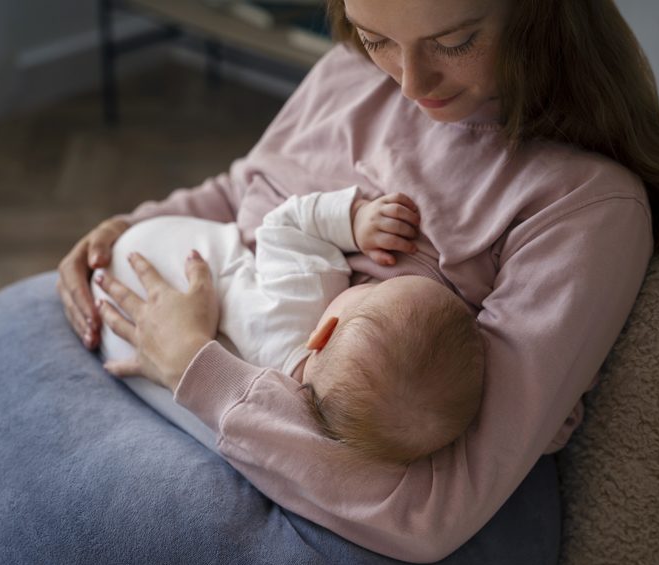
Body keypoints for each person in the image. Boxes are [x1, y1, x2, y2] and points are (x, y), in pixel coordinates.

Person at [0, 0, 659, 565]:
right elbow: (244, 190)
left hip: (249, 445)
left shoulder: (582, 207)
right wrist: (132, 228)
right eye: (378, 35)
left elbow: (435, 509)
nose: (410, 82)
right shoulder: (353, 75)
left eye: (455, 38)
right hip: (151, 396)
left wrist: (190, 363)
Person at [93, 187, 484, 464]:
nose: (371, 281)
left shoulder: (305, 295)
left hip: (146, 259)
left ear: (324, 331)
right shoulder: (279, 412)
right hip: (130, 348)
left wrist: (353, 220)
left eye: (375, 289)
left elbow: (284, 224)